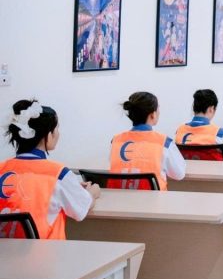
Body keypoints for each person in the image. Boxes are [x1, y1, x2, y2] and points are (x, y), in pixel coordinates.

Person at [0, 100, 100, 239]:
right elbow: (82, 207)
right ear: (47, 135)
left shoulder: (2, 168)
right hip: (45, 251)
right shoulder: (58, 174)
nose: (58, 133)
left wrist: (70, 186)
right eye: (56, 129)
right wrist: (92, 192)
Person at [110, 92, 186, 191]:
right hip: (154, 200)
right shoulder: (164, 143)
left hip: (118, 199)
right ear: (153, 115)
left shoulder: (115, 140)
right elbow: (179, 174)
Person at [175, 89, 223, 160]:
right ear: (211, 109)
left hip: (187, 167)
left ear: (194, 108)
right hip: (214, 167)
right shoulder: (220, 134)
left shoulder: (179, 131)